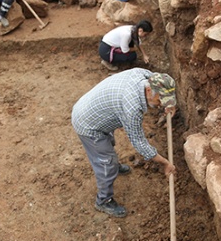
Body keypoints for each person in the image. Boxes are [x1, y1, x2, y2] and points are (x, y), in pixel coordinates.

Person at [71, 68, 177, 218]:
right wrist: (165, 162)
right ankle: (103, 200)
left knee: (108, 144)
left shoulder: (142, 75)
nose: (161, 105)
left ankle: (114, 166)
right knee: (106, 161)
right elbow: (139, 142)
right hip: (87, 124)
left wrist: (169, 103)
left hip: (94, 110)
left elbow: (156, 78)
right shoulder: (132, 107)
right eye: (160, 101)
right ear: (148, 91)